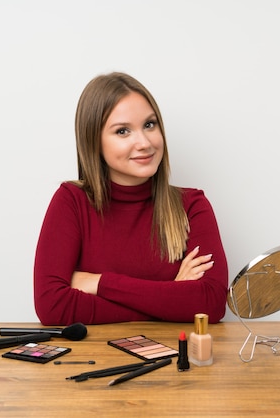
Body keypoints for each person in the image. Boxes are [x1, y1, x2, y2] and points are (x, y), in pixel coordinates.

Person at [33, 72, 228, 326]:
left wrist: (99, 283)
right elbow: (52, 307)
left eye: (149, 124)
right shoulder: (71, 201)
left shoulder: (191, 205)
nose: (144, 143)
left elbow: (211, 304)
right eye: (123, 131)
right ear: (94, 142)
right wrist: (169, 296)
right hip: (94, 361)